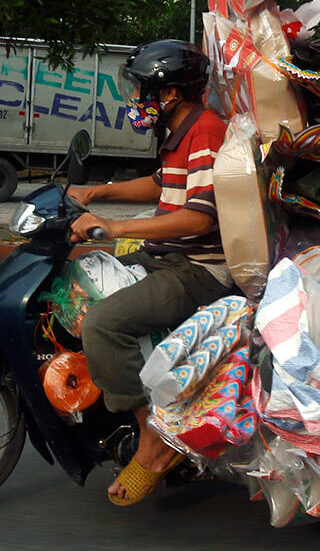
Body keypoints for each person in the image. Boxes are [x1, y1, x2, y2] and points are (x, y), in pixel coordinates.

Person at [67, 39, 231, 506]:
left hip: (199, 269)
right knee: (81, 285)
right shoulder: (182, 132)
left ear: (169, 93)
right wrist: (97, 192)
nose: (135, 101)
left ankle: (152, 437)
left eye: (142, 91)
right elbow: (162, 184)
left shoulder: (205, 133)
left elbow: (199, 218)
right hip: (167, 256)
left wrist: (114, 227)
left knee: (103, 323)